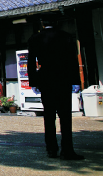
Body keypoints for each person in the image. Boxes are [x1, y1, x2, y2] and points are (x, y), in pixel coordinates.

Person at [28, 18, 84, 161]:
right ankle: (67, 150)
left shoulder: (35, 38)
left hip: (46, 78)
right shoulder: (66, 37)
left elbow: (31, 62)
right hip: (63, 78)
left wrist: (33, 82)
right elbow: (73, 60)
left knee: (49, 116)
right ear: (57, 22)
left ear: (42, 23)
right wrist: (75, 81)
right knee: (65, 117)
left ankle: (51, 149)